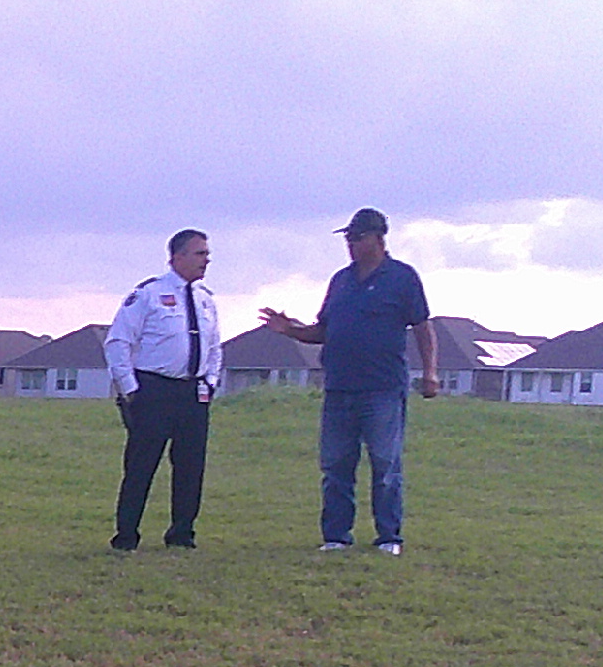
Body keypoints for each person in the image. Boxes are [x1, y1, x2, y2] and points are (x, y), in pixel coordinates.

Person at [261, 209, 437, 553]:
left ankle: (388, 537)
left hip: (383, 388)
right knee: (336, 466)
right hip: (339, 387)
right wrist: (291, 329)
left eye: (356, 237)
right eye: (347, 238)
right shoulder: (341, 280)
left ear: (378, 238)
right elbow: (324, 331)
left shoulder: (402, 278)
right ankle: (336, 536)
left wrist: (430, 372)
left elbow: (422, 327)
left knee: (385, 465)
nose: (350, 244)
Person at [102, 231, 220, 551]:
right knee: (141, 467)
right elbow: (118, 343)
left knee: (190, 468)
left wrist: (210, 382)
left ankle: (182, 534)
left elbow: (214, 348)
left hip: (192, 393)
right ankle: (127, 535)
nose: (206, 260)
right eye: (199, 253)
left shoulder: (205, 300)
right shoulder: (148, 295)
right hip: (154, 390)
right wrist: (131, 389)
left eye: (207, 254)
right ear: (177, 257)